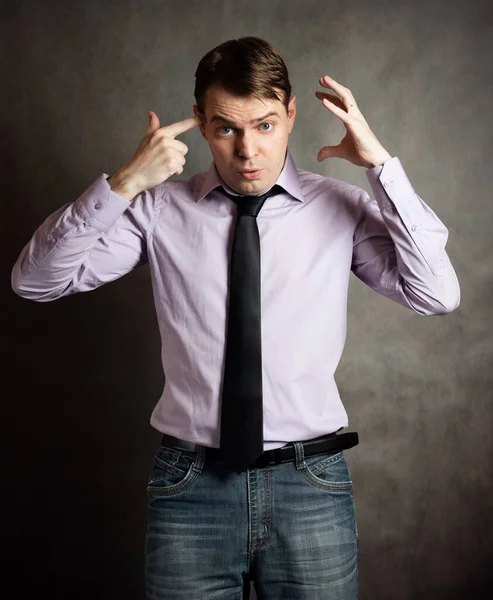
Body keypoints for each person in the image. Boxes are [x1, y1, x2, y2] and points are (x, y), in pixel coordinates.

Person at [11, 37, 460, 600]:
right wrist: (123, 183)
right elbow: (35, 281)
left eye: (266, 125)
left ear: (292, 114)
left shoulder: (338, 208)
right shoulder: (157, 210)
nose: (248, 150)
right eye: (226, 128)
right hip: (190, 488)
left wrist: (381, 167)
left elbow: (437, 293)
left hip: (310, 485)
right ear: (200, 123)